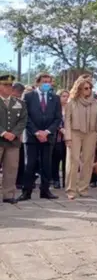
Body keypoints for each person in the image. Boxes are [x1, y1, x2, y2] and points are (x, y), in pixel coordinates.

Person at [18, 73, 62, 201]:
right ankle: (26, 191)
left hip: (48, 137)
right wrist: (36, 132)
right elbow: (25, 116)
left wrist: (47, 132)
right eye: (44, 81)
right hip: (31, 136)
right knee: (29, 164)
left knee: (46, 164)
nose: (46, 84)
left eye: (49, 82)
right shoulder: (28, 96)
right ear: (37, 82)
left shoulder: (55, 98)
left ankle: (45, 190)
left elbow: (57, 118)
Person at [61, 76, 97, 200]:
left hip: (91, 133)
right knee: (73, 161)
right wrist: (68, 137)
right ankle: (71, 189)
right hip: (75, 133)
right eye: (86, 88)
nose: (89, 90)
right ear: (79, 89)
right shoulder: (72, 102)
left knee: (88, 161)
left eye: (90, 88)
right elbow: (67, 121)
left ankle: (83, 188)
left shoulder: (95, 103)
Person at [0, 75, 27, 204]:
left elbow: (23, 120)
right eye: (5, 85)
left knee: (11, 168)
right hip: (1, 138)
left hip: (13, 141)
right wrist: (3, 133)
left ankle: (8, 195)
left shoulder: (19, 103)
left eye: (10, 85)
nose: (9, 87)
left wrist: (14, 133)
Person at [52, 89, 69, 189]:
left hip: (68, 138)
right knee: (56, 160)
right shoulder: (54, 108)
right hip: (57, 137)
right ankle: (56, 180)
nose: (66, 98)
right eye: (63, 96)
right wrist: (60, 128)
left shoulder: (70, 108)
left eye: (67, 96)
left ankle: (66, 181)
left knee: (67, 160)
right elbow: (53, 120)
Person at [11, 82, 26, 192]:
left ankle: (18, 182)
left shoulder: (21, 104)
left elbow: (23, 120)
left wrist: (18, 133)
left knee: (17, 162)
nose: (18, 96)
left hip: (18, 136)